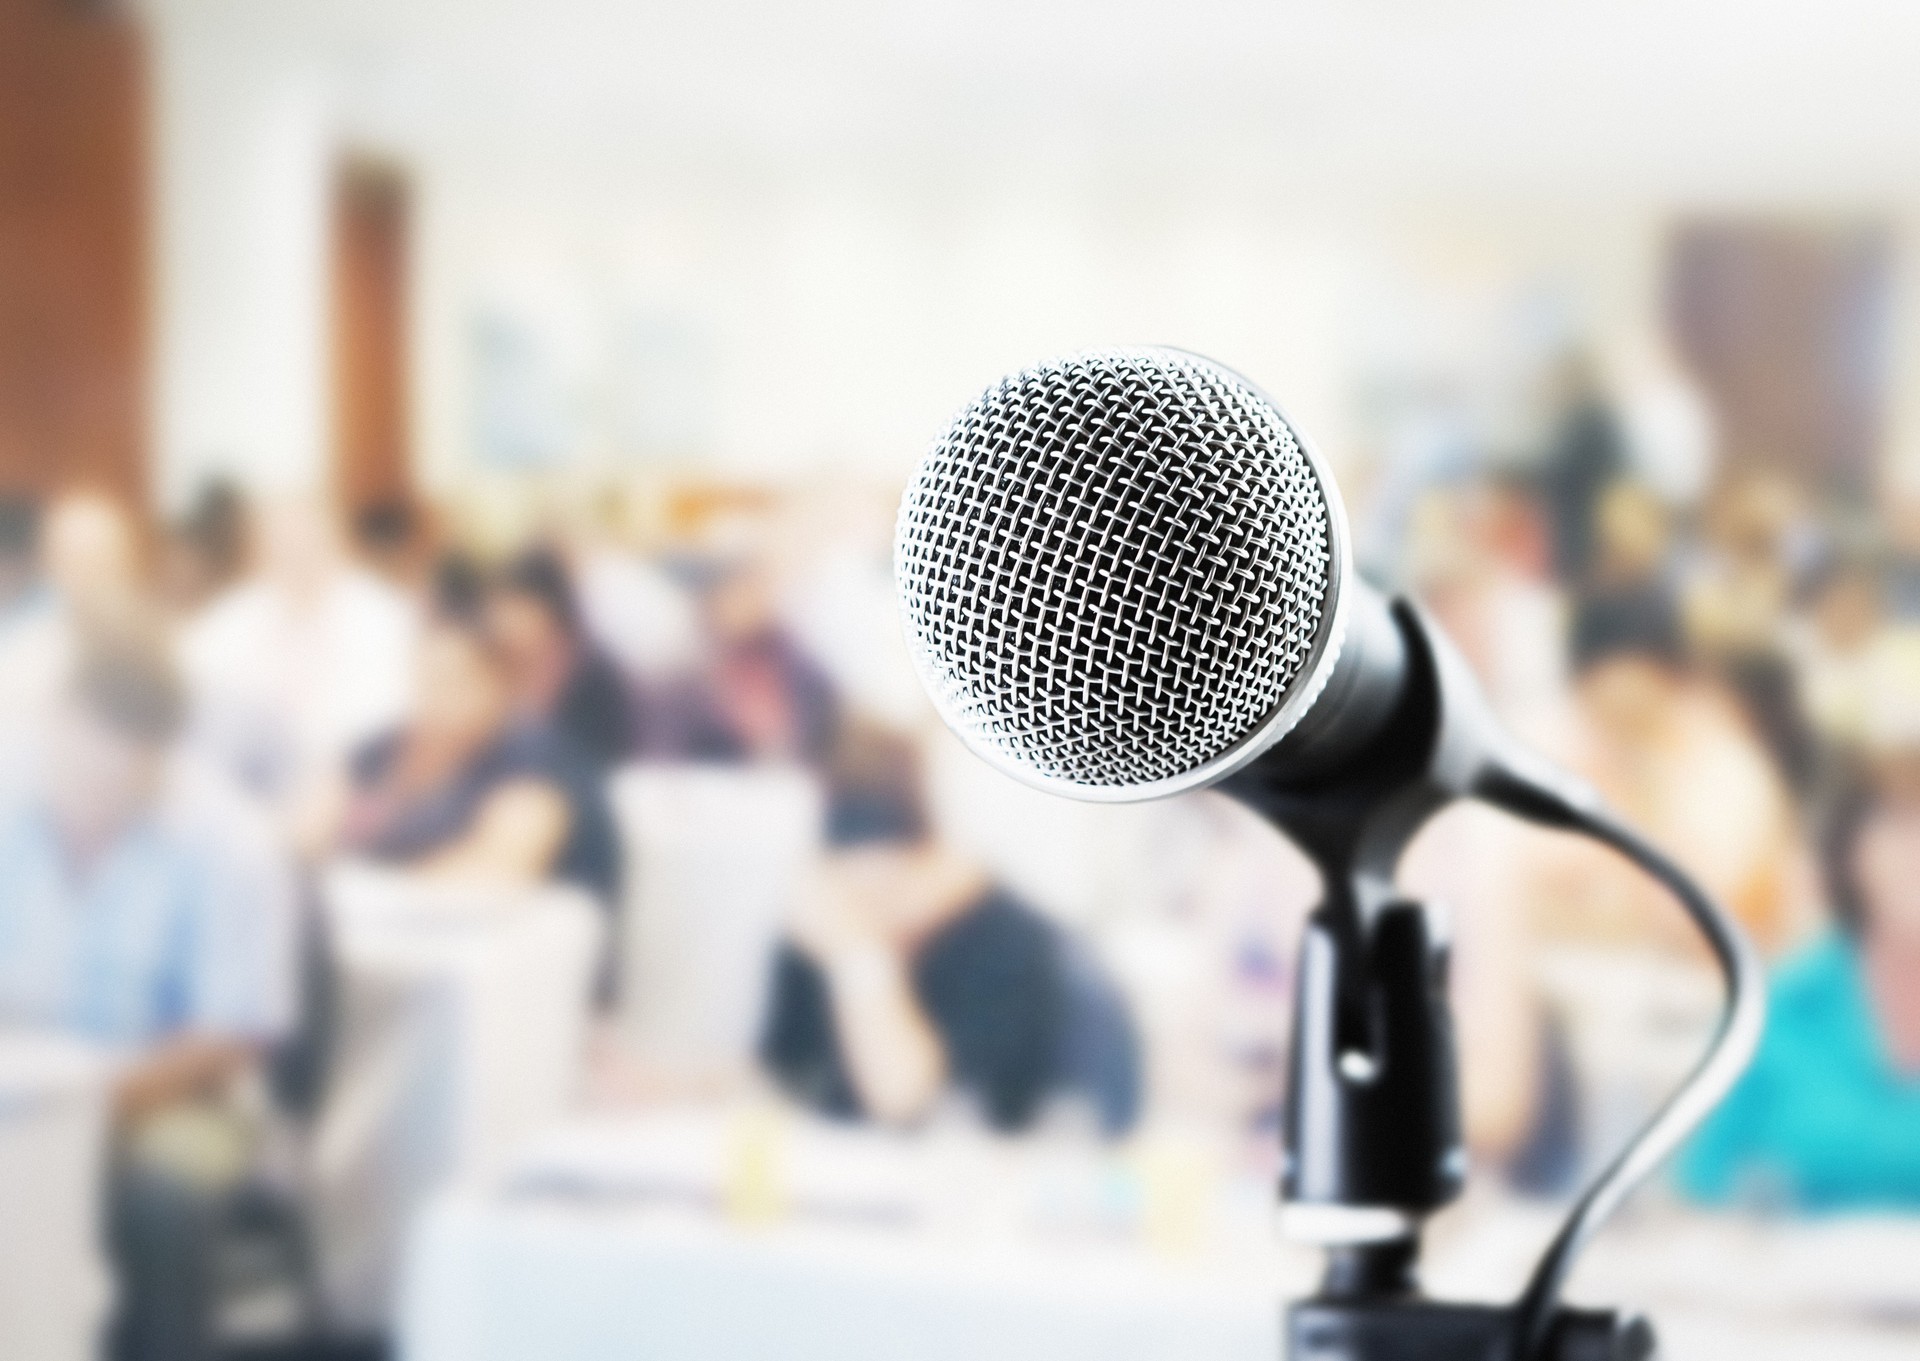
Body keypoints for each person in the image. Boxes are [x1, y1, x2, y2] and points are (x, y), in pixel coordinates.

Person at [0, 635, 297, 1361]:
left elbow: (233, 1034)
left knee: (161, 1193)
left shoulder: (226, 839)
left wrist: (85, 1104)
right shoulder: (13, 795)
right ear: (52, 725)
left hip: (170, 1093)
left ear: (158, 762)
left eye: (112, 784)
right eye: (72, 771)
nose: (86, 801)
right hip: (20, 1077)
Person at [760, 725, 1139, 1135]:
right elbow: (779, 1081)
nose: (864, 907)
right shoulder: (821, 926)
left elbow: (906, 1104)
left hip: (997, 1173)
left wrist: (861, 961)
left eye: (884, 883)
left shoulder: (1006, 943)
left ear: (931, 857)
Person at [1679, 756, 1920, 1210]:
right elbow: (1699, 1187)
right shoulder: (1779, 1003)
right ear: (1850, 851)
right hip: (1803, 1276)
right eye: (1902, 824)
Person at [334, 610, 620, 912]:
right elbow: (306, 833)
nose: (434, 696)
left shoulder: (537, 759)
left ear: (500, 686)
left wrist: (373, 897)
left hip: (503, 942)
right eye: (425, 678)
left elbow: (496, 872)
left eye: (453, 681)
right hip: (369, 932)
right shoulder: (384, 747)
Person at [179, 495, 417, 811]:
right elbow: (196, 707)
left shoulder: (385, 617)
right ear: (257, 551)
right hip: (250, 794)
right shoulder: (226, 625)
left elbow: (393, 714)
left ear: (336, 541)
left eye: (306, 540)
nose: (294, 553)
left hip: (359, 790)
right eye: (279, 543)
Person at [485, 546, 632, 770]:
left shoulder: (589, 671)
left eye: (518, 607)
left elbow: (600, 754)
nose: (505, 619)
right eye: (499, 606)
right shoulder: (491, 661)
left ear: (549, 607)